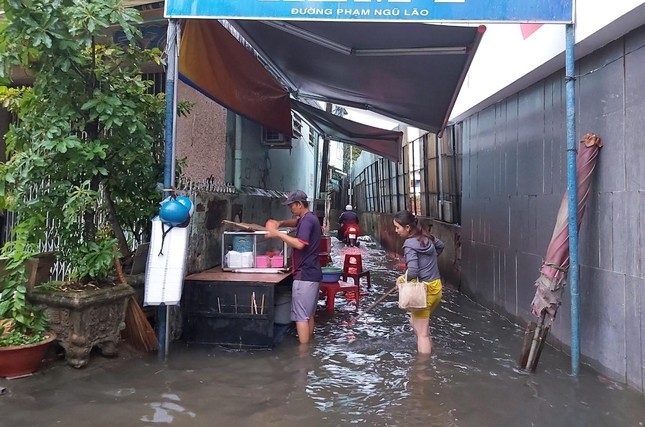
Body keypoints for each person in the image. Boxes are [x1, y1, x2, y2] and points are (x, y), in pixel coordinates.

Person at [265, 190, 322, 344]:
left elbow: (299, 244)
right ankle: (309, 350)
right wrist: (280, 223)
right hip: (313, 274)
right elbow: (295, 223)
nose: (290, 209)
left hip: (304, 275)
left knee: (301, 317)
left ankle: (303, 356)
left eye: (291, 206)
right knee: (308, 314)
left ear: (299, 204)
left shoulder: (307, 221)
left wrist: (276, 233)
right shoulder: (309, 218)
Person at [392, 210, 444, 355]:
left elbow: (413, 271)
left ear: (407, 228)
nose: (396, 231)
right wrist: (428, 262)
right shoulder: (427, 237)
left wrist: (402, 281)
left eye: (397, 227)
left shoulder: (409, 244)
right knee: (418, 325)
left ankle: (423, 370)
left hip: (424, 291)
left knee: (422, 334)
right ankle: (432, 355)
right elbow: (440, 246)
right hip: (436, 288)